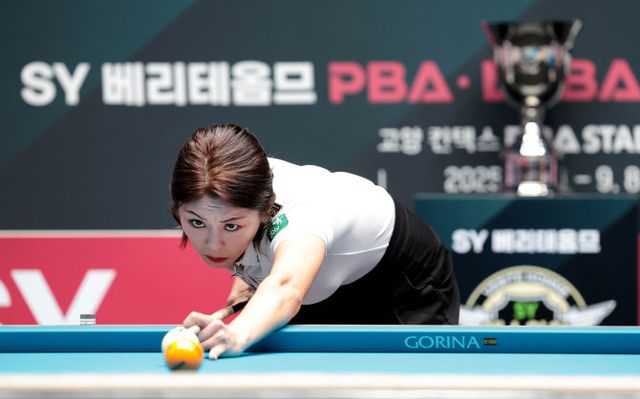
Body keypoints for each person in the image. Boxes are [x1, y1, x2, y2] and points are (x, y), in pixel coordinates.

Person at [171, 123, 459, 359]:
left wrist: (237, 333)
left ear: (264, 210)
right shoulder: (231, 185)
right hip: (319, 281)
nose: (213, 244)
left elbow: (286, 286)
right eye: (196, 223)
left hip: (401, 283)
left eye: (231, 226)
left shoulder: (301, 215)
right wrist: (254, 271)